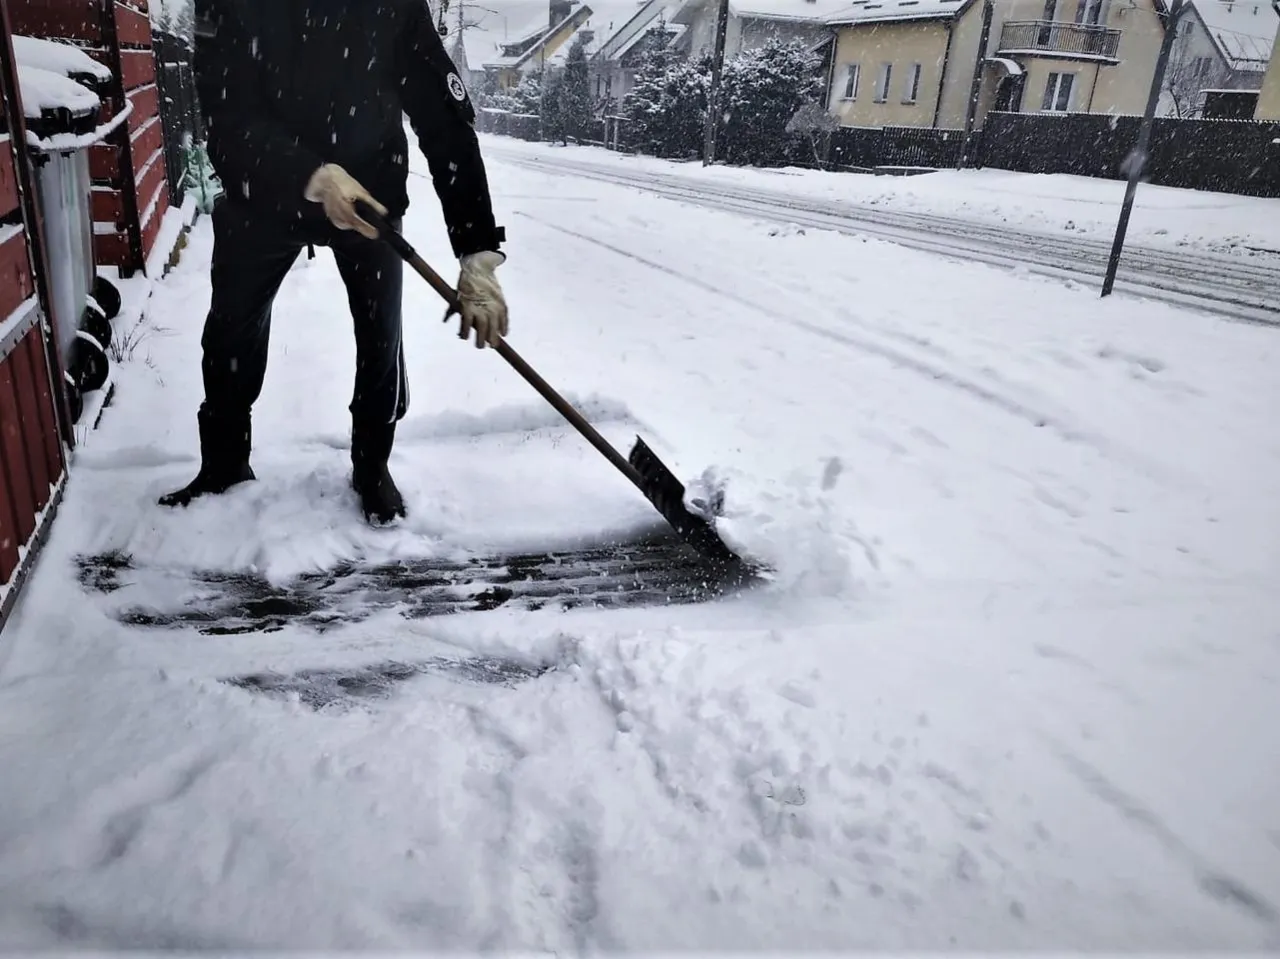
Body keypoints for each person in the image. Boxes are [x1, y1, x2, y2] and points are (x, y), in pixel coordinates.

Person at [160, 0, 509, 525]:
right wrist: (312, 175)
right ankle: (224, 463)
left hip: (369, 195)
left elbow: (443, 118)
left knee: (380, 338)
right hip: (264, 195)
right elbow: (227, 119)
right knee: (231, 331)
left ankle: (372, 465)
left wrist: (476, 248)